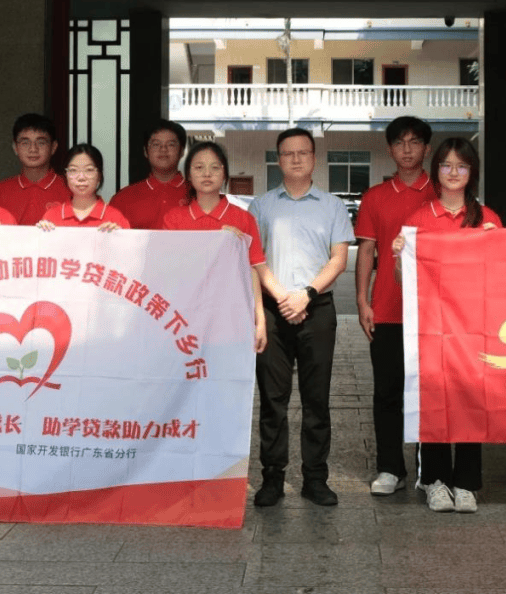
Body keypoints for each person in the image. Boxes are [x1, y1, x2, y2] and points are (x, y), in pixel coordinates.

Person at [391, 136, 500, 513]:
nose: (454, 173)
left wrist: (499, 245)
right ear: (436, 171)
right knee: (434, 402)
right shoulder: (420, 218)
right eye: (446, 165)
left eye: (462, 166)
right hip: (432, 329)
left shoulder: (487, 220)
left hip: (474, 329)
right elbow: (401, 277)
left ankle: (467, 482)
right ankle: (435, 480)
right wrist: (399, 256)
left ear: (473, 173)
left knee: (471, 402)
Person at [249, 128, 354, 507]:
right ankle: (272, 478)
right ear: (279, 160)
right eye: (288, 153)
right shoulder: (260, 207)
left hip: (318, 309)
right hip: (275, 311)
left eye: (303, 153)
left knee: (316, 399)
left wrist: (306, 295)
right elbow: (255, 259)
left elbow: (339, 259)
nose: (296, 159)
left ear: (314, 159)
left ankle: (315, 478)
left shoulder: (333, 206)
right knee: (273, 400)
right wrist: (282, 298)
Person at [354, 116, 435, 496]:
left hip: (434, 314)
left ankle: (428, 469)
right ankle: (390, 467)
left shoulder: (442, 193)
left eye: (415, 142)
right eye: (400, 142)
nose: (407, 149)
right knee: (387, 392)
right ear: (389, 149)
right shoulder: (375, 196)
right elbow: (367, 250)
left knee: (430, 392)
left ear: (426, 148)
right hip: (387, 308)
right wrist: (361, 300)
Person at [162, 141, 268, 353]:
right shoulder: (173, 219)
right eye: (199, 167)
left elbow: (253, 271)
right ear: (188, 176)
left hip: (229, 318)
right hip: (185, 316)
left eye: (215, 167)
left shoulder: (243, 219)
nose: (207, 173)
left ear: (225, 174)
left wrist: (261, 320)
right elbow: (167, 270)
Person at [0, 113, 71, 225]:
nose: (33, 149)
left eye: (41, 142)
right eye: (25, 143)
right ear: (15, 148)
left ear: (53, 147)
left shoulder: (70, 189)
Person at [110, 120, 189, 229]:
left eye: (171, 144)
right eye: (156, 144)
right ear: (146, 151)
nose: (163, 149)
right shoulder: (123, 198)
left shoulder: (198, 195)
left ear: (182, 151)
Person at [37, 143, 129, 231]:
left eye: (89, 170)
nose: (81, 177)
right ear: (66, 175)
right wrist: (41, 234)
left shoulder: (115, 218)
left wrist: (119, 236)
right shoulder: (52, 216)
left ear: (99, 175)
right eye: (73, 170)